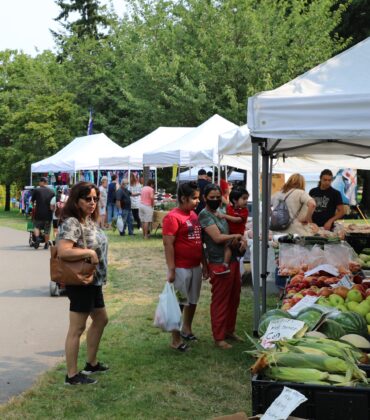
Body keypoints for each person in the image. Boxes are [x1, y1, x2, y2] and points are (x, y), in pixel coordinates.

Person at [58, 182, 108, 385]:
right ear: (76, 200)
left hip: (94, 281)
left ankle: (91, 363)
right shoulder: (72, 222)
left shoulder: (88, 220)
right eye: (88, 199)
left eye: (95, 198)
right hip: (81, 282)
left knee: (101, 319)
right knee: (77, 329)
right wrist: (89, 252)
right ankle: (71, 375)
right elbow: (63, 251)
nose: (93, 202)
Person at [199, 183, 246, 349]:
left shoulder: (223, 212)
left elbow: (233, 228)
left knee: (234, 297)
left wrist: (239, 241)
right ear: (204, 198)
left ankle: (229, 330)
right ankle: (219, 337)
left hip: (232, 259)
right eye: (211, 197)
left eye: (218, 197)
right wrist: (236, 236)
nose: (215, 200)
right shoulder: (205, 215)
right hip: (218, 263)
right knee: (220, 300)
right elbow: (218, 238)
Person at [162, 182, 205, 352]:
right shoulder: (172, 217)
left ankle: (187, 328)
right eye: (194, 198)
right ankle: (175, 338)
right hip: (181, 267)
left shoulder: (194, 215)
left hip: (195, 266)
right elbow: (168, 244)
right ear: (183, 198)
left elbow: (199, 241)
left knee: (193, 300)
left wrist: (204, 263)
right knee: (179, 303)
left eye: (198, 198)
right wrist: (172, 269)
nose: (197, 201)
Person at [216, 188, 249, 274]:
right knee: (230, 248)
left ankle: (225, 265)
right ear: (235, 200)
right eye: (244, 198)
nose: (246, 201)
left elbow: (237, 220)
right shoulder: (228, 208)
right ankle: (230, 264)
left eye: (247, 199)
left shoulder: (244, 210)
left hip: (238, 235)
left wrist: (224, 216)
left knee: (230, 247)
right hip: (229, 233)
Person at [31, 177, 55, 249]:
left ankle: (37, 238)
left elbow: (32, 202)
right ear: (46, 182)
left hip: (39, 213)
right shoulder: (52, 192)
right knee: (47, 230)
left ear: (42, 182)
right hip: (48, 214)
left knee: (36, 227)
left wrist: (34, 207)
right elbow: (53, 203)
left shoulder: (36, 190)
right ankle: (46, 244)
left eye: (40, 182)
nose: (39, 183)